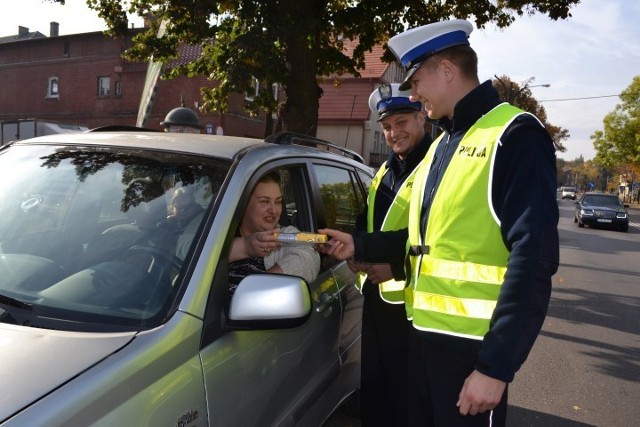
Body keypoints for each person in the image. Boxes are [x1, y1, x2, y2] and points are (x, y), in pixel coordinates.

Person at [319, 19, 559, 427]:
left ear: (447, 70)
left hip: (471, 356)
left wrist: (496, 366)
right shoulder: (444, 144)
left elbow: (532, 258)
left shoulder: (514, 135)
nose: (412, 94)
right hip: (422, 340)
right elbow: (419, 241)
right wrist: (359, 245)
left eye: (416, 82)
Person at [352, 83, 431, 426]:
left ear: (421, 117)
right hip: (376, 298)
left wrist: (396, 268)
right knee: (375, 390)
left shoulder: (436, 168)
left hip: (416, 307)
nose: (394, 133)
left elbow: (438, 238)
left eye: (401, 123)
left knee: (408, 401)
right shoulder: (383, 171)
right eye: (386, 127)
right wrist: (353, 249)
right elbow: (367, 223)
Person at [227, 171, 320, 295]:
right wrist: (244, 246)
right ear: (243, 204)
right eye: (264, 201)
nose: (273, 210)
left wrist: (257, 290)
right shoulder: (219, 231)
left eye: (278, 202)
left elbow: (309, 257)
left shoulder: (285, 234)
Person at [167, 187, 205, 260]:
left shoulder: (202, 222)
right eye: (178, 207)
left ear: (196, 207)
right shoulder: (170, 223)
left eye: (188, 207)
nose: (182, 211)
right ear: (173, 208)